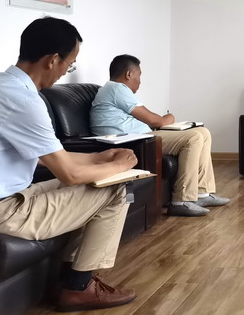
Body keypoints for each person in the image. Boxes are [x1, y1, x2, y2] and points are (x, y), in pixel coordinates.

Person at [0, 17, 138, 311]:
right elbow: (70, 174)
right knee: (113, 189)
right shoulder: (24, 100)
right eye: (69, 64)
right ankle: (78, 287)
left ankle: (67, 280)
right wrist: (120, 167)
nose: (64, 72)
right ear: (53, 60)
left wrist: (97, 158)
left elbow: (47, 154)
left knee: (92, 179)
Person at [91, 55, 230, 217]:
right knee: (194, 137)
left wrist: (161, 122)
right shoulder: (117, 89)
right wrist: (169, 118)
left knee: (203, 133)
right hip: (133, 140)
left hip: (142, 136)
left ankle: (202, 193)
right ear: (129, 74)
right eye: (139, 75)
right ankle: (181, 201)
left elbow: (149, 120)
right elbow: (155, 120)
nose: (140, 81)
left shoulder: (113, 90)